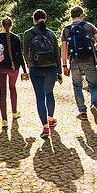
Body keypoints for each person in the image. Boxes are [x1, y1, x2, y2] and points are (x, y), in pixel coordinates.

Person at [61, 5, 97, 127]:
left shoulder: (66, 29)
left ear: (70, 16)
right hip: (89, 60)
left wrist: (64, 65)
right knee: (94, 86)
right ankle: (95, 105)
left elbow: (64, 49)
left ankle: (82, 112)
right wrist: (92, 49)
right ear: (82, 15)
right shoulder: (89, 26)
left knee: (77, 86)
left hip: (74, 62)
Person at [22, 9, 62, 139]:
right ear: (45, 19)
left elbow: (25, 54)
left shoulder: (28, 34)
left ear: (33, 19)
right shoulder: (51, 34)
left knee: (40, 97)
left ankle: (45, 128)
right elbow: (57, 54)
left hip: (36, 69)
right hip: (51, 68)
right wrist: (59, 72)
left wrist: (29, 67)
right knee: (49, 94)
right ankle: (51, 119)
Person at [0, 16, 23, 126]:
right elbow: (20, 55)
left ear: (1, 25)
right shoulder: (16, 38)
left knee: (2, 92)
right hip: (13, 68)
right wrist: (25, 70)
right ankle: (15, 113)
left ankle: (4, 120)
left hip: (0, 68)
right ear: (11, 25)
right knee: (12, 88)